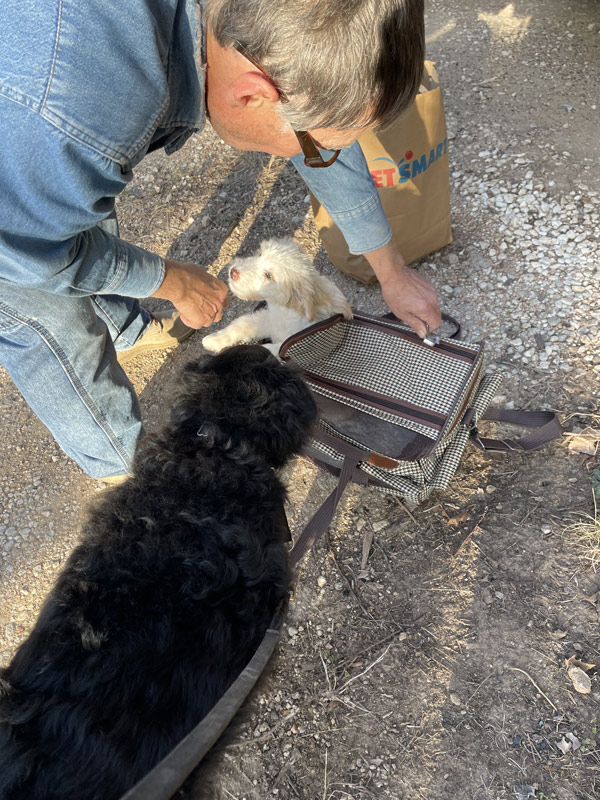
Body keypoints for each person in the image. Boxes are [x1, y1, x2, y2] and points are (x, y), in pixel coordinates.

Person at [0, 0, 441, 480]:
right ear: (252, 95)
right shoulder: (75, 111)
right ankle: (128, 471)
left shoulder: (259, 34)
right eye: (316, 144)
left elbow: (321, 144)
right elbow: (26, 250)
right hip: (14, 204)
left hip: (41, 150)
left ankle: (122, 327)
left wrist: (390, 270)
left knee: (72, 197)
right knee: (46, 311)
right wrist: (170, 282)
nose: (318, 154)